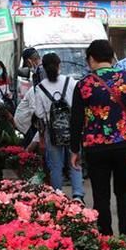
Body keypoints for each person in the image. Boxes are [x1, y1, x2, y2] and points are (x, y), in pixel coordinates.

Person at [70, 39, 126, 236]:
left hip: (95, 148)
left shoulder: (84, 85)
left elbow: (76, 120)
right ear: (111, 57)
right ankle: (125, 238)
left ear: (92, 59)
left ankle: (106, 239)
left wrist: (74, 150)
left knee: (100, 195)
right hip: (124, 145)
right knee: (124, 193)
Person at [28, 52, 84, 201]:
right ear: (59, 66)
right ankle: (78, 195)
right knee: (75, 161)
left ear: (44, 69)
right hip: (73, 129)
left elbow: (39, 113)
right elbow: (79, 106)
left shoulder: (40, 88)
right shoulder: (71, 82)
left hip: (52, 132)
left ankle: (57, 196)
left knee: (55, 167)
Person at [20, 47, 46, 148]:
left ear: (29, 61)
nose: (28, 67)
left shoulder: (41, 71)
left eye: (27, 64)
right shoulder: (39, 71)